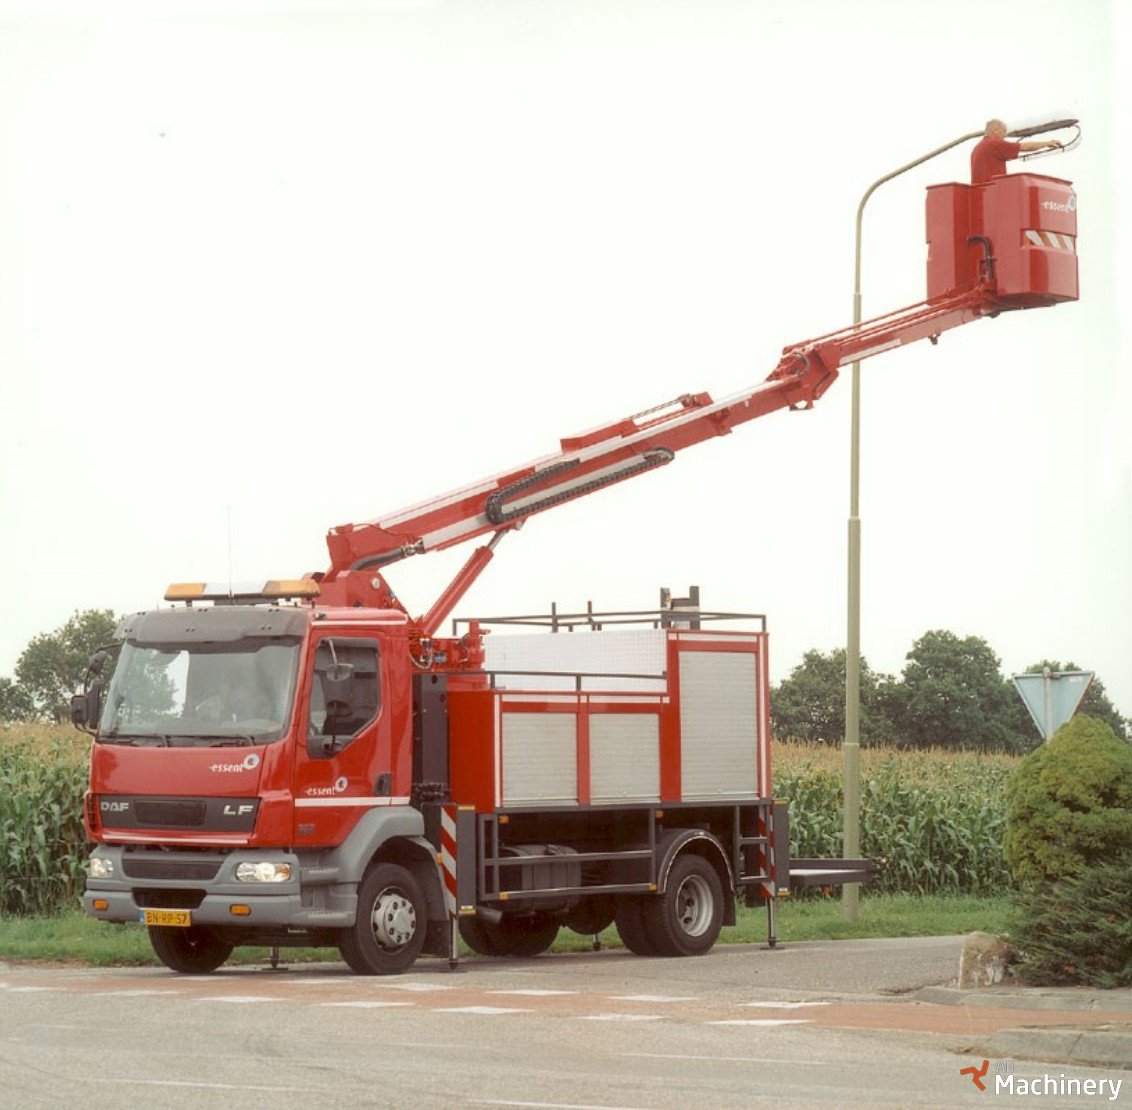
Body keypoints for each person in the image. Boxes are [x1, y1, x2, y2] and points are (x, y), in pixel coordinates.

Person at [971, 119, 1062, 185]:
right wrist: (1047, 143)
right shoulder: (994, 143)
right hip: (994, 191)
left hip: (980, 193)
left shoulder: (977, 148)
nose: (1005, 135)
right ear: (995, 130)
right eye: (1004, 131)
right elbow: (1026, 147)